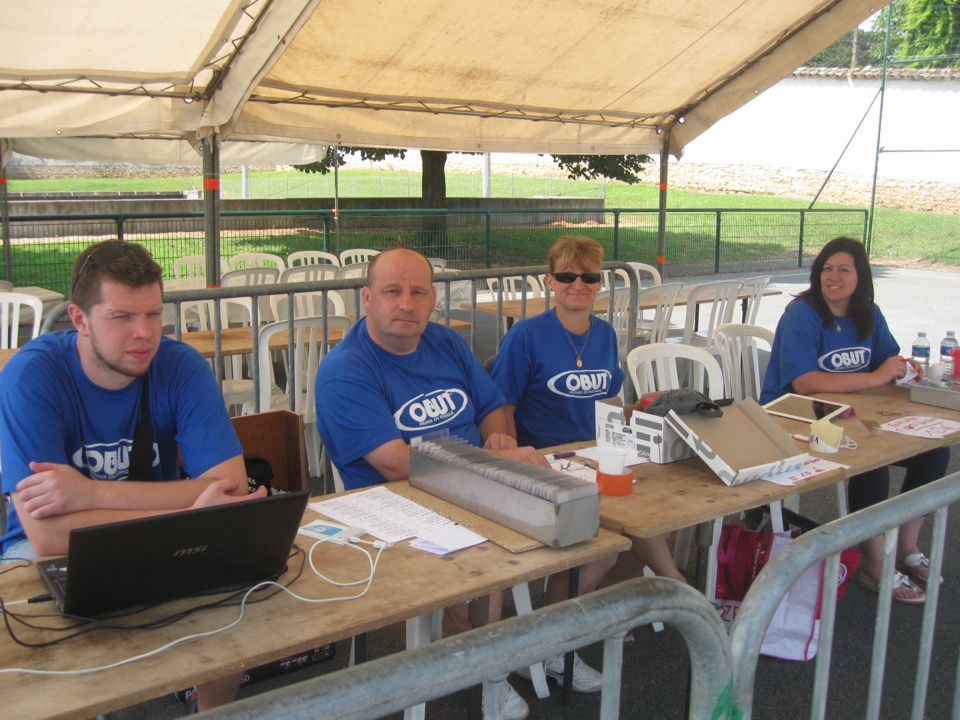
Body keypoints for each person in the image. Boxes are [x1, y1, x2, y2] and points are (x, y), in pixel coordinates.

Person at [315, 247, 598, 719]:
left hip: (471, 483)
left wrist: (500, 439)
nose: (406, 303)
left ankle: (542, 644)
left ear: (433, 300)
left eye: (418, 292)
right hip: (394, 508)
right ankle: (478, 666)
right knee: (491, 555)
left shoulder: (444, 342)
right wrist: (490, 468)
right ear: (367, 298)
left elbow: (488, 405)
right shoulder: (347, 369)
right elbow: (394, 463)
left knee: (587, 526)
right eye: (392, 291)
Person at [0, 239, 267, 710]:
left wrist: (89, 493)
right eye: (121, 318)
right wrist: (189, 507)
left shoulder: (180, 365)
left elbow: (229, 490)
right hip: (41, 558)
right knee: (64, 664)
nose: (144, 333)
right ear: (80, 320)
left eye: (153, 314)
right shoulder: (31, 377)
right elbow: (47, 536)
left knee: (239, 618)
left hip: (156, 537)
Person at [491, 236, 685, 608]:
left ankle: (607, 606)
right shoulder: (526, 336)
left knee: (659, 512)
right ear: (550, 282)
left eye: (588, 277)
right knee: (613, 536)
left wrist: (651, 408)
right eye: (566, 276)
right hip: (548, 462)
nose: (577, 285)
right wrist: (519, 466)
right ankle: (672, 585)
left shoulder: (606, 334)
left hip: (595, 455)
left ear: (600, 283)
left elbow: (605, 406)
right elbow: (503, 410)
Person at [760, 236, 950, 604]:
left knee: (934, 452)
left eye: (844, 269)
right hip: (794, 415)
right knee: (870, 461)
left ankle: (906, 547)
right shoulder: (803, 313)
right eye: (827, 269)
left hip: (852, 414)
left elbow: (887, 362)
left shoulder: (868, 313)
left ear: (860, 276)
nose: (834, 277)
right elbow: (806, 383)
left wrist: (901, 370)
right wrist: (874, 378)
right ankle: (874, 564)